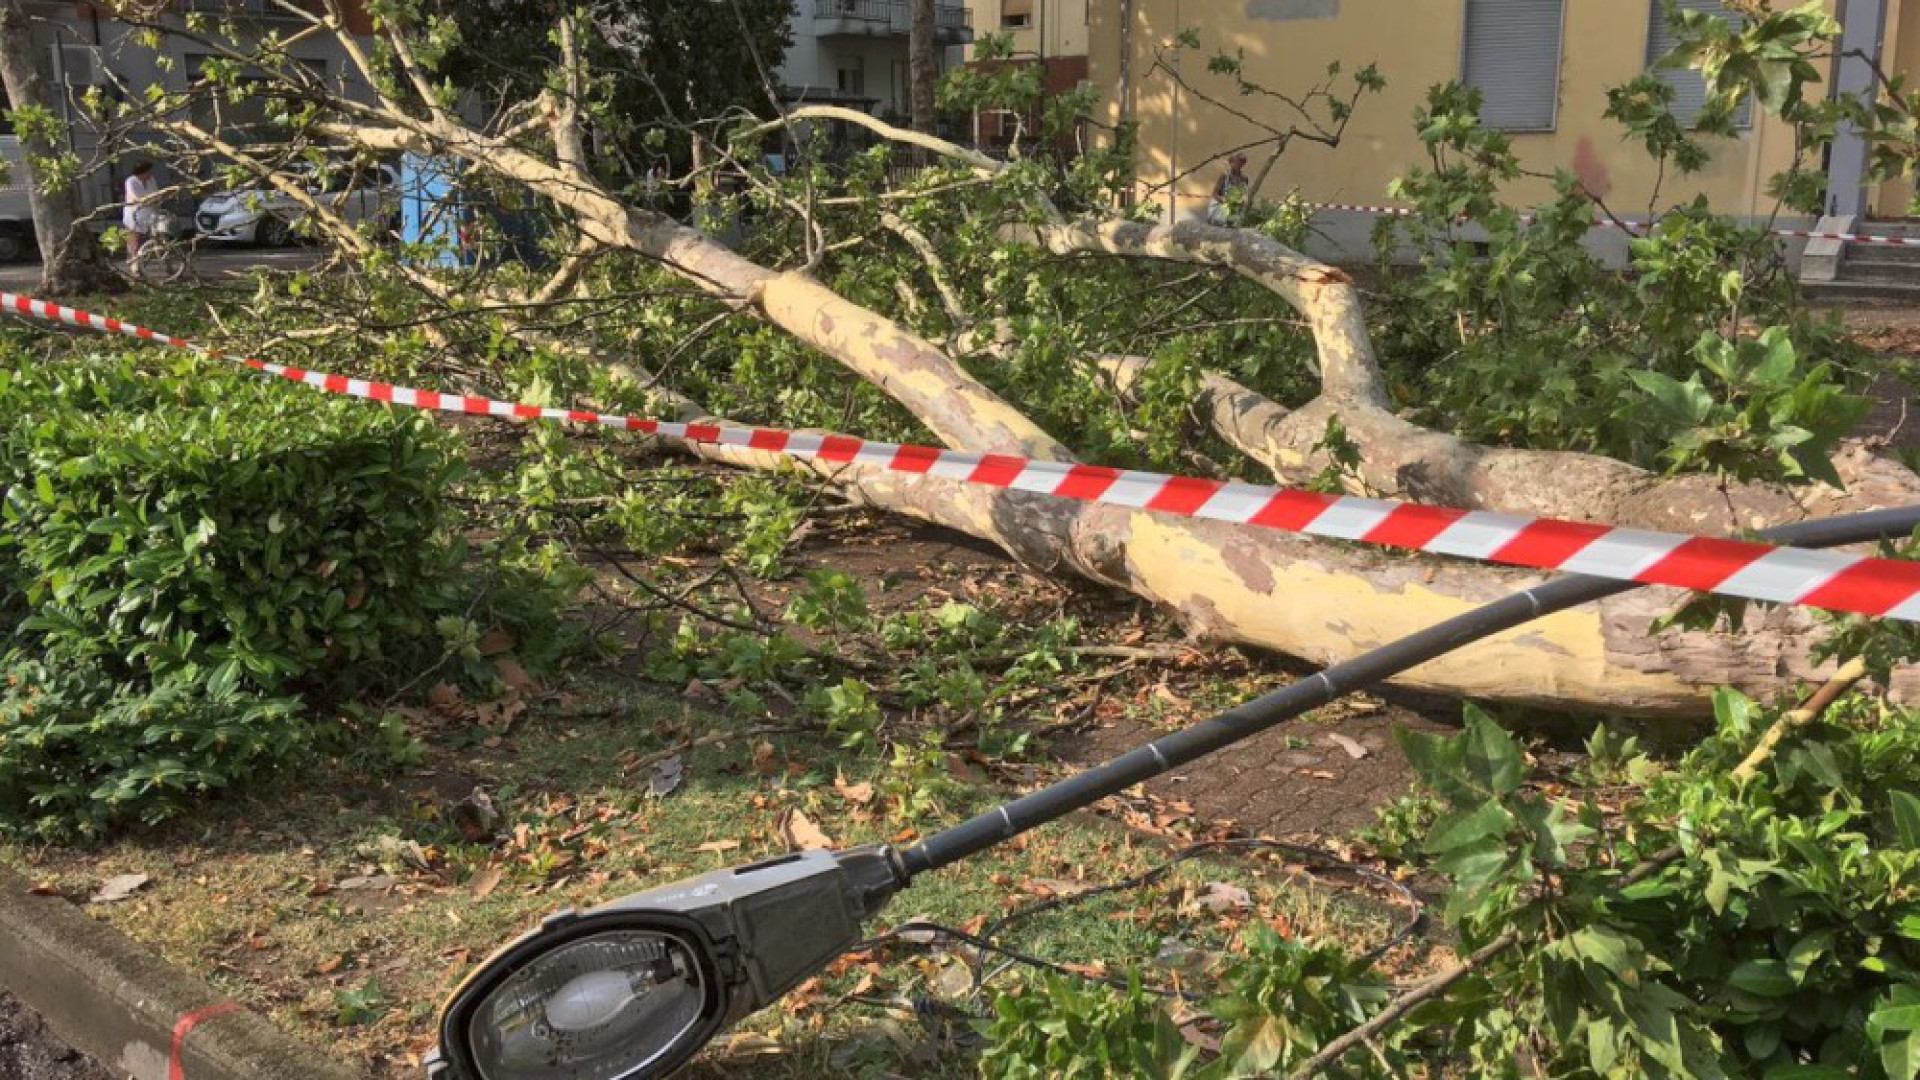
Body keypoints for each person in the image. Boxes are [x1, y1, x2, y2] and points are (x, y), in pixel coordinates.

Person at [123, 162, 157, 263]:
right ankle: (134, 264)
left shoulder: (151, 180)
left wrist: (155, 199)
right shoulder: (131, 180)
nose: (150, 173)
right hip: (134, 214)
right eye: (148, 171)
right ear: (143, 172)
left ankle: (165, 264)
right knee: (134, 241)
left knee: (154, 239)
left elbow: (156, 194)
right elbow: (133, 197)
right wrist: (143, 201)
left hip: (149, 213)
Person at [1207, 153, 1249, 226]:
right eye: (1234, 163)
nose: (1236, 165)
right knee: (1225, 217)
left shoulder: (1244, 179)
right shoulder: (1225, 176)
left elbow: (1244, 194)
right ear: (1230, 163)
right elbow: (1214, 194)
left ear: (1242, 164)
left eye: (1240, 163)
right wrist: (1225, 201)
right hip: (1222, 206)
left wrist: (1240, 201)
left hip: (1236, 207)